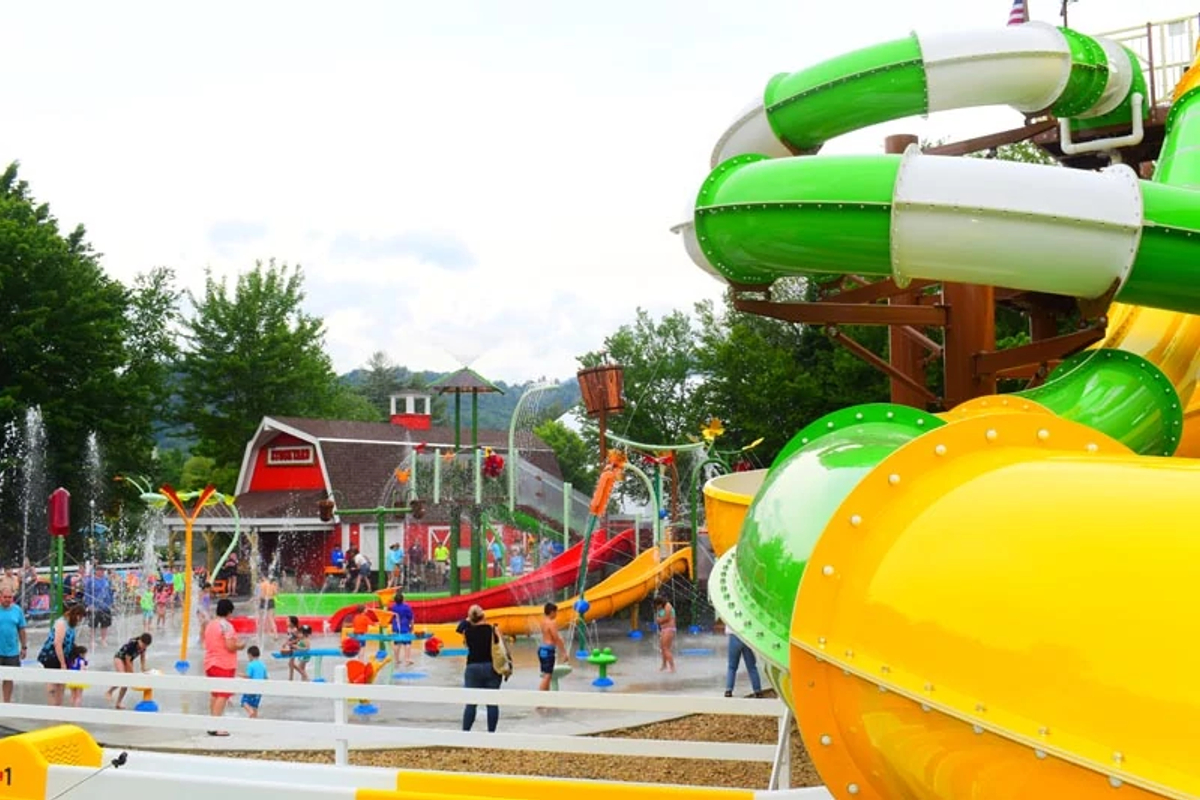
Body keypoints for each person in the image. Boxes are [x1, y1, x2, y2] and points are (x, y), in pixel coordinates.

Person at [203, 598, 244, 736]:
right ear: (228, 611)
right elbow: (230, 646)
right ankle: (215, 725)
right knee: (223, 694)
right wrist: (240, 645)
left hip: (210, 663)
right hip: (223, 663)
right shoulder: (226, 626)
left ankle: (212, 722)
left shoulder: (210, 624)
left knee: (215, 693)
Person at [457, 604, 502, 732]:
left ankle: (465, 732)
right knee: (492, 703)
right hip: (491, 666)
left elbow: (459, 628)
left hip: (473, 667)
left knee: (471, 703)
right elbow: (501, 647)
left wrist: (468, 619)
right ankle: (491, 733)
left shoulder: (468, 631)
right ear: (483, 615)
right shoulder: (492, 630)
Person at [38, 602, 86, 706]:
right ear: (76, 614)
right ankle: (52, 706)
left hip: (63, 656)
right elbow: (57, 644)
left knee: (61, 683)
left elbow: (69, 643)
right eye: (80, 618)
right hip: (51, 656)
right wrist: (62, 663)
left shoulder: (71, 625)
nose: (80, 621)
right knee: (53, 683)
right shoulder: (62, 623)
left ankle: (58, 705)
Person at [106, 632, 152, 709]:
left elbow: (142, 657)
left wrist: (143, 668)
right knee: (123, 677)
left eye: (146, 646)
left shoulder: (144, 646)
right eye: (143, 645)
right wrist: (132, 673)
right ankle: (109, 691)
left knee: (126, 683)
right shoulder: (132, 644)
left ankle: (118, 703)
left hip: (129, 660)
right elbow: (127, 660)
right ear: (140, 640)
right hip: (119, 658)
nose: (144, 647)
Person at [0, 587, 27, 702]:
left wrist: (24, 647)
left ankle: (7, 702)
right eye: (5, 597)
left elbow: (22, 630)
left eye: (10, 597)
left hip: (12, 651)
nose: (7, 599)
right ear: (0, 597)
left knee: (9, 677)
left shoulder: (17, 610)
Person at [537, 602, 568, 692]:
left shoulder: (543, 622)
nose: (556, 614)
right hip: (548, 651)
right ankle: (540, 698)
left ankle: (546, 697)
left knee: (547, 674)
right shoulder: (551, 623)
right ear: (551, 612)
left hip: (542, 649)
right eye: (555, 612)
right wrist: (564, 653)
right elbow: (556, 638)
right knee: (547, 675)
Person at [83, 566, 114, 647]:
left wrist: (111, 602)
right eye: (100, 570)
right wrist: (89, 604)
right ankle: (92, 641)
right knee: (93, 624)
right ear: (96, 571)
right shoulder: (90, 581)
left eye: (103, 570)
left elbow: (110, 592)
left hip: (105, 606)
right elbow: (87, 593)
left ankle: (103, 640)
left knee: (105, 624)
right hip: (94, 606)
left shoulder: (106, 580)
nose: (102, 572)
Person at [725, 632, 764, 698]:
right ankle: (757, 691)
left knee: (732, 667)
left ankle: (728, 690)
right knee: (752, 668)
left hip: (734, 636)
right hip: (746, 636)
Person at [240, 645, 268, 718]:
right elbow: (266, 677)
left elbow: (248, 676)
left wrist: (240, 675)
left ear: (250, 655)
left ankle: (250, 711)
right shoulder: (262, 665)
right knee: (255, 706)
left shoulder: (251, 665)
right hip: (260, 689)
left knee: (244, 702)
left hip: (251, 688)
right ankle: (254, 719)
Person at [390, 592, 415, 666]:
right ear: (403, 599)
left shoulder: (393, 607)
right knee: (407, 643)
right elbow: (411, 618)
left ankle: (396, 660)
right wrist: (412, 626)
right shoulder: (406, 607)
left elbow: (392, 616)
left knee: (397, 643)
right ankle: (407, 660)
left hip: (396, 627)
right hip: (405, 626)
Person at [653, 597, 676, 673]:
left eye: (657, 606)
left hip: (669, 629)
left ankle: (672, 667)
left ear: (660, 603)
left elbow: (666, 618)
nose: (657, 608)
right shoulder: (661, 608)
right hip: (664, 629)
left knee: (666, 649)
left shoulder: (668, 606)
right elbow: (660, 617)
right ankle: (664, 665)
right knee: (662, 648)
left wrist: (658, 620)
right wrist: (659, 620)